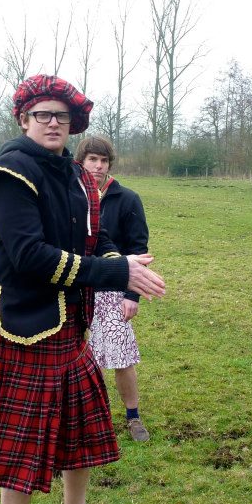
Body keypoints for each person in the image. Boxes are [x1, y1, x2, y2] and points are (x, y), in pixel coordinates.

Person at [0, 74, 165, 504]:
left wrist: (121, 264)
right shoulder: (9, 172)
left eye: (61, 116)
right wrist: (112, 273)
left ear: (73, 123)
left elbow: (88, 242)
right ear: (23, 119)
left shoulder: (75, 176)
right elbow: (31, 256)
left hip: (68, 327)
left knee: (80, 427)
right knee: (23, 446)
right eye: (42, 115)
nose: (53, 123)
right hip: (21, 326)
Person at [75, 136, 151, 442]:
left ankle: (132, 416)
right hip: (75, 284)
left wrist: (132, 295)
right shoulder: (70, 196)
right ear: (81, 162)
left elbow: (138, 248)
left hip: (112, 289)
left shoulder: (127, 198)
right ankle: (85, 416)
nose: (98, 166)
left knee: (121, 356)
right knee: (77, 357)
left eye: (103, 160)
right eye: (92, 159)